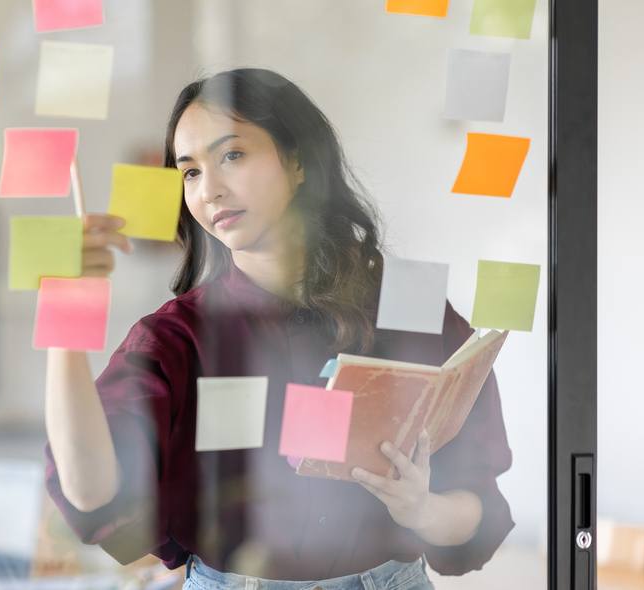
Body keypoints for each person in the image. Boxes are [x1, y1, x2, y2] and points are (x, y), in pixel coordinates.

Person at [44, 68, 513, 589]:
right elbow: (91, 494)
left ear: (298, 161)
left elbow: (478, 502)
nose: (211, 190)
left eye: (232, 155)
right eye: (191, 171)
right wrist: (66, 315)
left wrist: (420, 509)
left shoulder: (410, 302)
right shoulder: (176, 338)